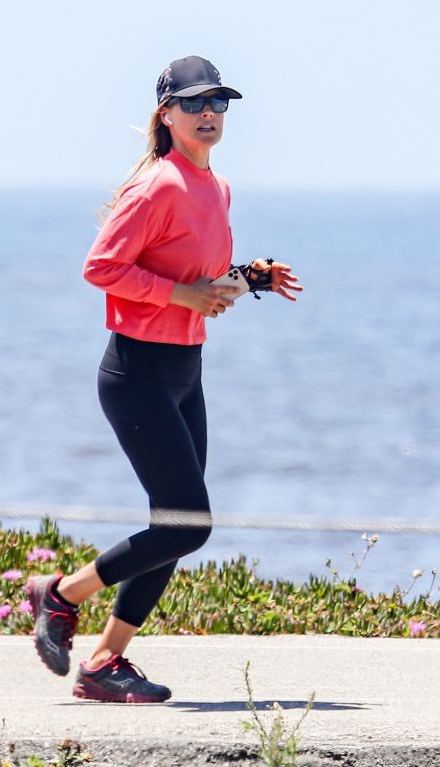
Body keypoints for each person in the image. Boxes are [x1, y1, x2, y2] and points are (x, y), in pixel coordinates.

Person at [26, 55, 303, 704]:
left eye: (219, 104)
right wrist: (183, 295)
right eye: (194, 103)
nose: (208, 114)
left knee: (170, 527)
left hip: (184, 371)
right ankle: (60, 594)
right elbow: (102, 268)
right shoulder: (156, 185)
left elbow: (198, 285)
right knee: (186, 524)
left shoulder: (216, 186)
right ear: (166, 114)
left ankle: (103, 664)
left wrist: (247, 277)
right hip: (137, 374)